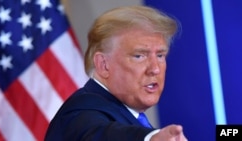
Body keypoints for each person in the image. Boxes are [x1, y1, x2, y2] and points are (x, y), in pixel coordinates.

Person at [45, 5, 187, 141]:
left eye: (160, 55)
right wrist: (150, 138)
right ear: (103, 65)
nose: (155, 69)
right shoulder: (81, 111)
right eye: (139, 56)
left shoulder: (126, 113)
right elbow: (100, 134)